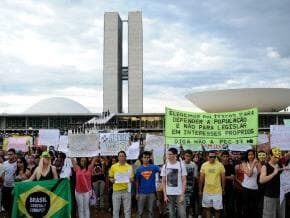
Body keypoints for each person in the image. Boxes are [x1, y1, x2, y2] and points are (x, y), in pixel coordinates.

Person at [161, 147, 187, 218]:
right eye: (168, 154)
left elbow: (184, 180)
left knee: (182, 213)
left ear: (175, 155)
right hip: (169, 194)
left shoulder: (181, 165)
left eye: (170, 154)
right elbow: (163, 181)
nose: (168, 156)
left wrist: (182, 194)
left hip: (179, 193)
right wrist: (165, 195)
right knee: (171, 213)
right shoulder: (165, 166)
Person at [199, 151, 225, 218]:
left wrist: (223, 189)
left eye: (214, 157)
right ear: (207, 157)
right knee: (208, 209)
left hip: (217, 191)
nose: (212, 158)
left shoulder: (220, 165)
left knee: (217, 210)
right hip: (206, 191)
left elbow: (223, 178)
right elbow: (201, 178)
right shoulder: (204, 165)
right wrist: (200, 190)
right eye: (211, 157)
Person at [259, 147, 284, 218]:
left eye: (278, 157)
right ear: (270, 156)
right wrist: (274, 173)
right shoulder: (265, 166)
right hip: (269, 196)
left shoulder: (279, 165)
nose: (277, 159)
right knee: (269, 216)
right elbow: (261, 180)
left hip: (280, 196)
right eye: (275, 157)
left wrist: (284, 168)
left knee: (280, 215)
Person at [109, 151, 134, 218]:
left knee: (127, 210)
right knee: (115, 211)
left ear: (125, 157)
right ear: (118, 157)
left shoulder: (129, 167)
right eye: (120, 156)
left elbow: (132, 178)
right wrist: (112, 180)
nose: (121, 157)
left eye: (123, 156)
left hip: (126, 191)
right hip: (116, 191)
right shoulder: (113, 167)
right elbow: (110, 177)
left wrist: (131, 179)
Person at [135, 151, 160, 218]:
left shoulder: (154, 167)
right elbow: (137, 181)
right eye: (144, 157)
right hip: (141, 193)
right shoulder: (138, 169)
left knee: (151, 211)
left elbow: (163, 169)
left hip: (152, 192)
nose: (146, 159)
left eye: (148, 157)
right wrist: (137, 193)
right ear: (141, 158)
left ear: (150, 158)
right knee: (140, 211)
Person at [241, 149, 260, 218]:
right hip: (246, 187)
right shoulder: (244, 163)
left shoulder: (257, 162)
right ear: (247, 156)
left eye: (252, 154)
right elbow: (249, 174)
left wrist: (257, 164)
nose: (251, 156)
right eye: (249, 155)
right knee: (246, 207)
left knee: (254, 207)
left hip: (255, 188)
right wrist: (253, 165)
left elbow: (260, 173)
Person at [1, 148, 17, 217]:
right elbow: (2, 174)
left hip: (13, 188)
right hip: (5, 187)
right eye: (8, 154)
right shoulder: (4, 163)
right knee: (5, 205)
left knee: (12, 205)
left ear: (14, 155)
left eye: (11, 154)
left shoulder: (17, 164)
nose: (9, 156)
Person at [182, 149, 198, 218]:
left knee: (189, 205)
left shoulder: (194, 165)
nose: (188, 157)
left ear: (191, 157)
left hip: (190, 187)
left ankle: (188, 215)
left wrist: (193, 188)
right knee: (182, 204)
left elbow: (194, 177)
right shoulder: (181, 164)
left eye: (189, 156)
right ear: (184, 156)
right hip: (182, 188)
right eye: (186, 156)